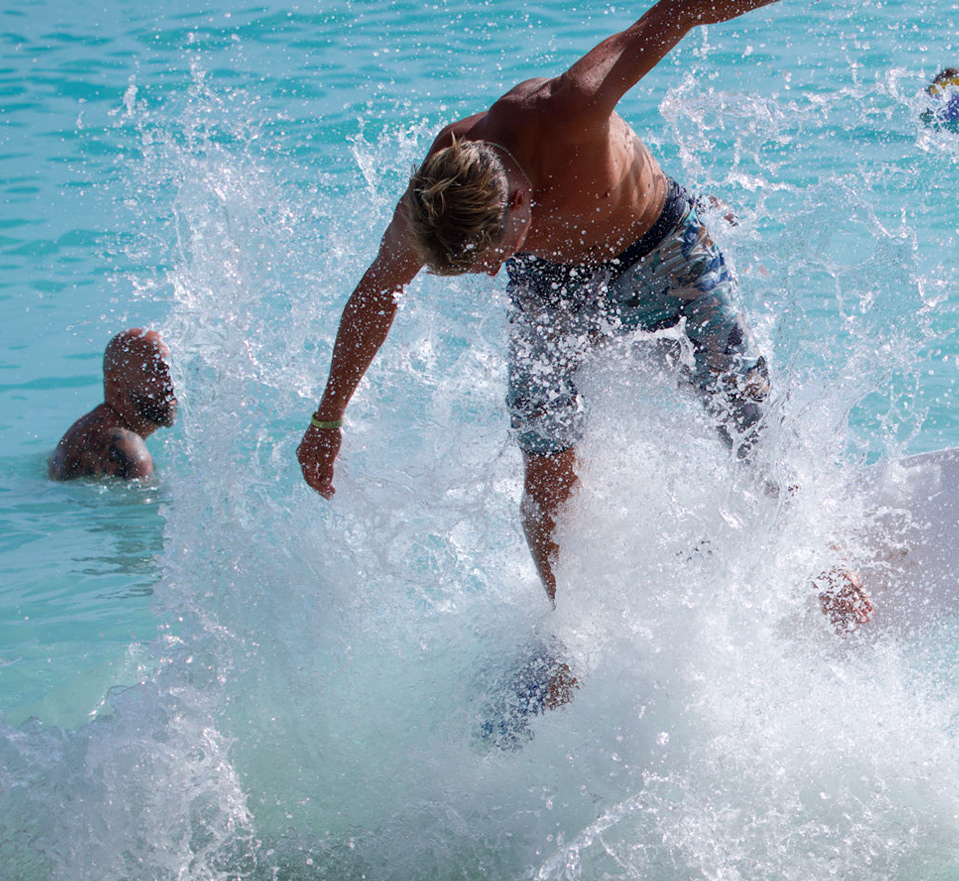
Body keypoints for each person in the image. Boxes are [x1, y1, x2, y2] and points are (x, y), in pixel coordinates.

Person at [297, 0, 790, 603]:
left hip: (665, 251)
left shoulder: (572, 107)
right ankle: (568, 629)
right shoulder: (436, 197)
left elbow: (681, 10)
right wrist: (328, 417)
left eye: (496, 255)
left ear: (520, 202)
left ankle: (821, 563)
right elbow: (378, 291)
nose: (492, 272)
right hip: (552, 285)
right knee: (546, 467)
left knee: (747, 421)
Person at [48, 328, 176, 480]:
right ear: (116, 382)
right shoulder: (126, 447)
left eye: (171, 371)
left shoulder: (91, 427)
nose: (172, 384)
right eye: (156, 371)